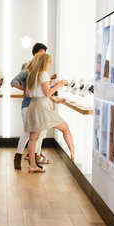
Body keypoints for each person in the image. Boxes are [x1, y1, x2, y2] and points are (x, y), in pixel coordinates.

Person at [24, 52, 75, 172]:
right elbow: (47, 93)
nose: (50, 64)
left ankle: (32, 165)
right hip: (42, 107)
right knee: (65, 128)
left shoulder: (32, 74)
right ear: (45, 63)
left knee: (33, 138)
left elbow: (28, 93)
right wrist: (59, 84)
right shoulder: (44, 74)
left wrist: (54, 100)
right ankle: (73, 154)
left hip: (34, 105)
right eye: (49, 62)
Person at [11, 42, 48, 170]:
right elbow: (13, 81)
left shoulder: (43, 70)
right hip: (28, 105)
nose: (42, 57)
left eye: (44, 54)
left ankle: (35, 159)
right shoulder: (27, 68)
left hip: (39, 106)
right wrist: (25, 88)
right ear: (35, 54)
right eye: (40, 54)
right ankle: (18, 157)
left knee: (40, 133)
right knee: (28, 132)